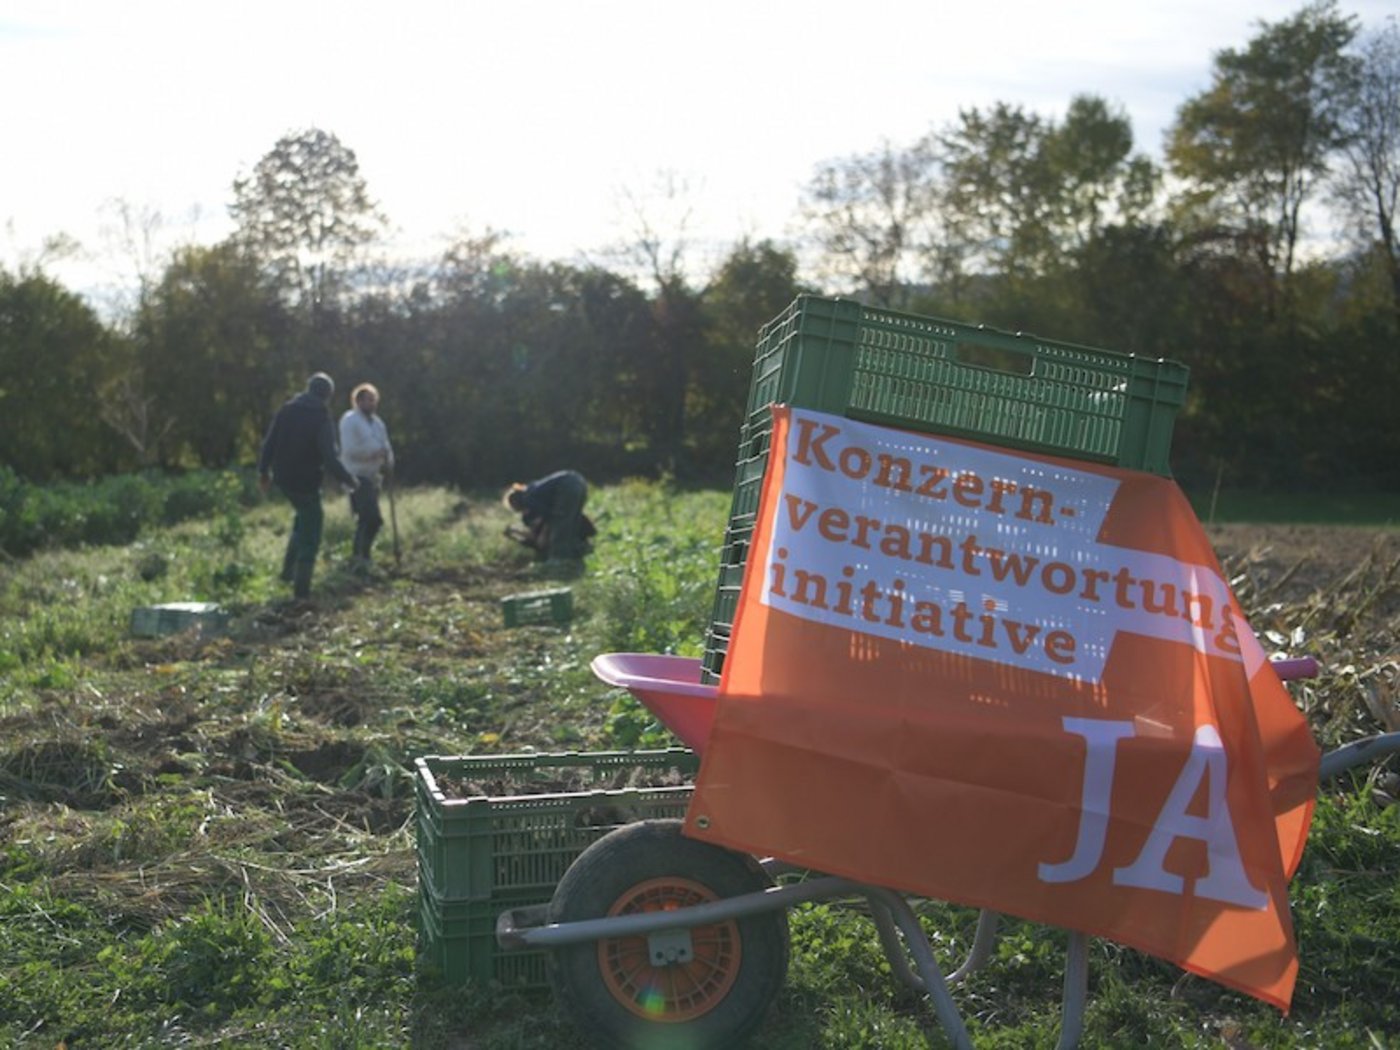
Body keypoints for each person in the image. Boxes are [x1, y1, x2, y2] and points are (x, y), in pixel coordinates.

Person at [258, 372, 358, 600]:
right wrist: (348, 479)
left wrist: (263, 472)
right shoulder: (321, 416)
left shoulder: (287, 409)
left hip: (283, 477)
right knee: (311, 532)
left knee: (302, 518)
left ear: (308, 389)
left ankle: (287, 574)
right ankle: (301, 592)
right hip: (306, 481)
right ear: (328, 395)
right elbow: (330, 457)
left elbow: (269, 442)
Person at [338, 382, 395, 569]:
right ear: (359, 401)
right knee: (372, 518)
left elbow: (386, 446)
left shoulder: (377, 423)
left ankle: (362, 556)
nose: (373, 403)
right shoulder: (350, 420)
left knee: (367, 519)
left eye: (374, 400)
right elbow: (349, 450)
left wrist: (389, 463)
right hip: (355, 476)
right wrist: (372, 454)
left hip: (372, 476)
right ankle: (359, 557)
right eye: (369, 400)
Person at [504, 469, 593, 562]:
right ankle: (578, 553)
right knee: (572, 522)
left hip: (566, 486)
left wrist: (543, 535)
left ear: (516, 503)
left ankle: (558, 560)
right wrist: (515, 532)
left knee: (560, 525)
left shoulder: (528, 498)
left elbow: (548, 515)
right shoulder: (533, 491)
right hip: (579, 481)